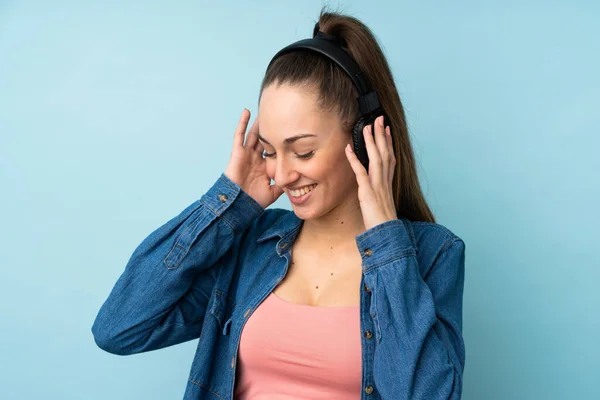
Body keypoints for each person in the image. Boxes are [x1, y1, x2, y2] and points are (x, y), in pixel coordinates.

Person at [92, 8, 466, 400]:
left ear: (362, 139)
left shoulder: (431, 255)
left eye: (302, 152)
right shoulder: (250, 246)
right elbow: (118, 328)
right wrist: (228, 204)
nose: (282, 176)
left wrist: (387, 243)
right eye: (270, 151)